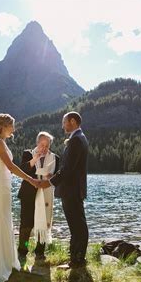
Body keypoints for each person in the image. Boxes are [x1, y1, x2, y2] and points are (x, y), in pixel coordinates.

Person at [0, 113, 40, 282]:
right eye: (11, 126)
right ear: (3, 126)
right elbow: (12, 167)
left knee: (4, 222)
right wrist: (30, 180)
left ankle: (5, 261)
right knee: (0, 222)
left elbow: (12, 167)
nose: (13, 129)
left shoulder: (2, 143)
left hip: (3, 186)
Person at [39, 111, 89, 269]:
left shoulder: (76, 140)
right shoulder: (79, 138)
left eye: (64, 122)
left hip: (72, 190)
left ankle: (77, 261)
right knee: (77, 225)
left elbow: (67, 169)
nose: (62, 126)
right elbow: (70, 168)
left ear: (72, 121)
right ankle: (77, 259)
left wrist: (49, 182)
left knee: (77, 226)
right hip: (73, 189)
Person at [17, 131, 60, 262]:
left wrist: (51, 177)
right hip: (29, 194)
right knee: (26, 225)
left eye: (47, 145)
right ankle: (23, 250)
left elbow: (58, 176)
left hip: (46, 194)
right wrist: (35, 159)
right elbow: (23, 170)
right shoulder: (28, 153)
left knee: (44, 224)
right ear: (37, 143)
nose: (44, 148)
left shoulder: (55, 158)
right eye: (42, 144)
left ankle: (40, 252)